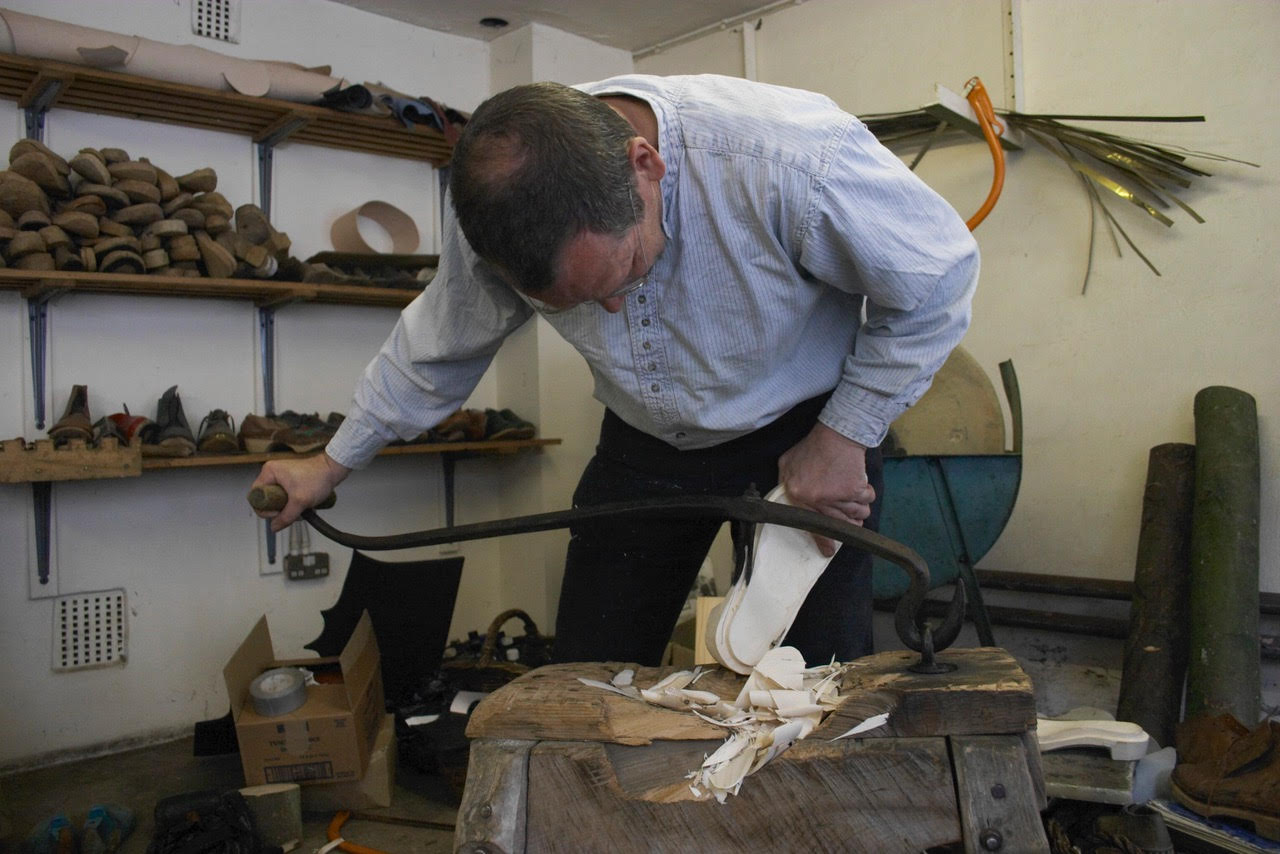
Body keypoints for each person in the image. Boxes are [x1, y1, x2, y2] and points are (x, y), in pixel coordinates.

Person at [252, 73, 979, 667]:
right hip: (645, 444)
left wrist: (845, 434)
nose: (609, 309)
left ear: (646, 165)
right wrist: (333, 462)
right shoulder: (495, 214)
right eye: (571, 304)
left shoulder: (787, 156)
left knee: (810, 684)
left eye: (624, 269)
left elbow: (939, 280)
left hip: (806, 435)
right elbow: (439, 343)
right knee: (589, 677)